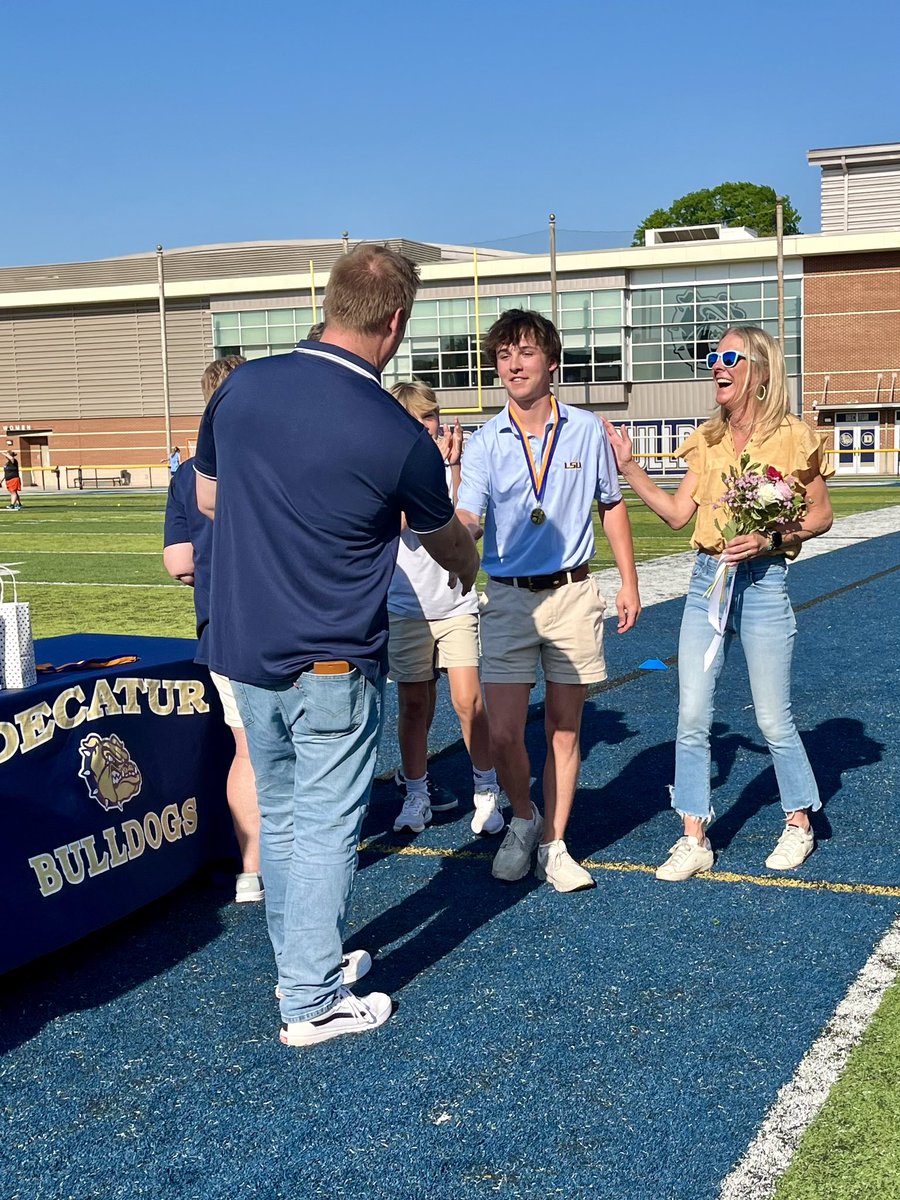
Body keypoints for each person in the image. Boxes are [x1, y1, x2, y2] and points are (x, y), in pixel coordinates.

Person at [194, 244, 479, 1047]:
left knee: (284, 818)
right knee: (322, 826)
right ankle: (311, 1000)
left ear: (330, 301)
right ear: (396, 322)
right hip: (329, 654)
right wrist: (469, 561)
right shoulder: (394, 430)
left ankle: (303, 968)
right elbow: (446, 545)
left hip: (245, 641)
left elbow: (210, 500)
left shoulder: (243, 386)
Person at [603, 325, 834, 881]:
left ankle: (799, 823)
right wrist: (630, 467)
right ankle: (693, 836)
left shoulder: (793, 436)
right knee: (691, 713)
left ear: (759, 370)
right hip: (706, 581)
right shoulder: (705, 440)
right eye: (713, 357)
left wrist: (772, 538)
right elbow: (681, 515)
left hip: (763, 582)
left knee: (774, 717)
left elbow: (821, 515)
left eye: (729, 357)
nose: (716, 366)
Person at [456, 309, 641, 893]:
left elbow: (611, 505)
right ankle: (524, 818)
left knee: (564, 729)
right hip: (508, 599)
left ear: (552, 362)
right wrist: (451, 530)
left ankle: (556, 845)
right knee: (505, 733)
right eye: (504, 354)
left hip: (571, 593)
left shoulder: (587, 429)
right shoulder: (486, 440)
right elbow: (469, 516)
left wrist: (628, 582)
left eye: (526, 352)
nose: (513, 363)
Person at [163, 356, 265, 904]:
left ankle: (250, 870)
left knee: (246, 751)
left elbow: (178, 561)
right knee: (298, 749)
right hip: (281, 621)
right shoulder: (270, 454)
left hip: (220, 625)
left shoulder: (187, 475)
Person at [387, 380, 503, 838]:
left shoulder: (459, 463)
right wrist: (428, 469)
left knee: (469, 701)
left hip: (455, 600)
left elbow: (467, 527)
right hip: (406, 603)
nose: (426, 426)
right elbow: (394, 522)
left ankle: (486, 790)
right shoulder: (389, 466)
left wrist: (449, 468)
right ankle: (416, 791)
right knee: (413, 703)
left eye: (430, 416)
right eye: (416, 418)